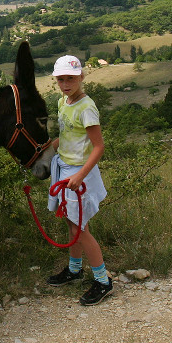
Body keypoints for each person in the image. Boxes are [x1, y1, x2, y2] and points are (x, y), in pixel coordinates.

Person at [45, 55, 111, 306]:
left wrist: (80, 175)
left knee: (80, 230)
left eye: (70, 79)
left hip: (79, 172)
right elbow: (66, 135)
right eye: (60, 79)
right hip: (64, 168)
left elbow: (98, 146)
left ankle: (103, 280)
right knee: (72, 224)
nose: (65, 84)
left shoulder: (86, 107)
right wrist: (47, 149)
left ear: (81, 77)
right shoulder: (64, 101)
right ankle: (74, 270)